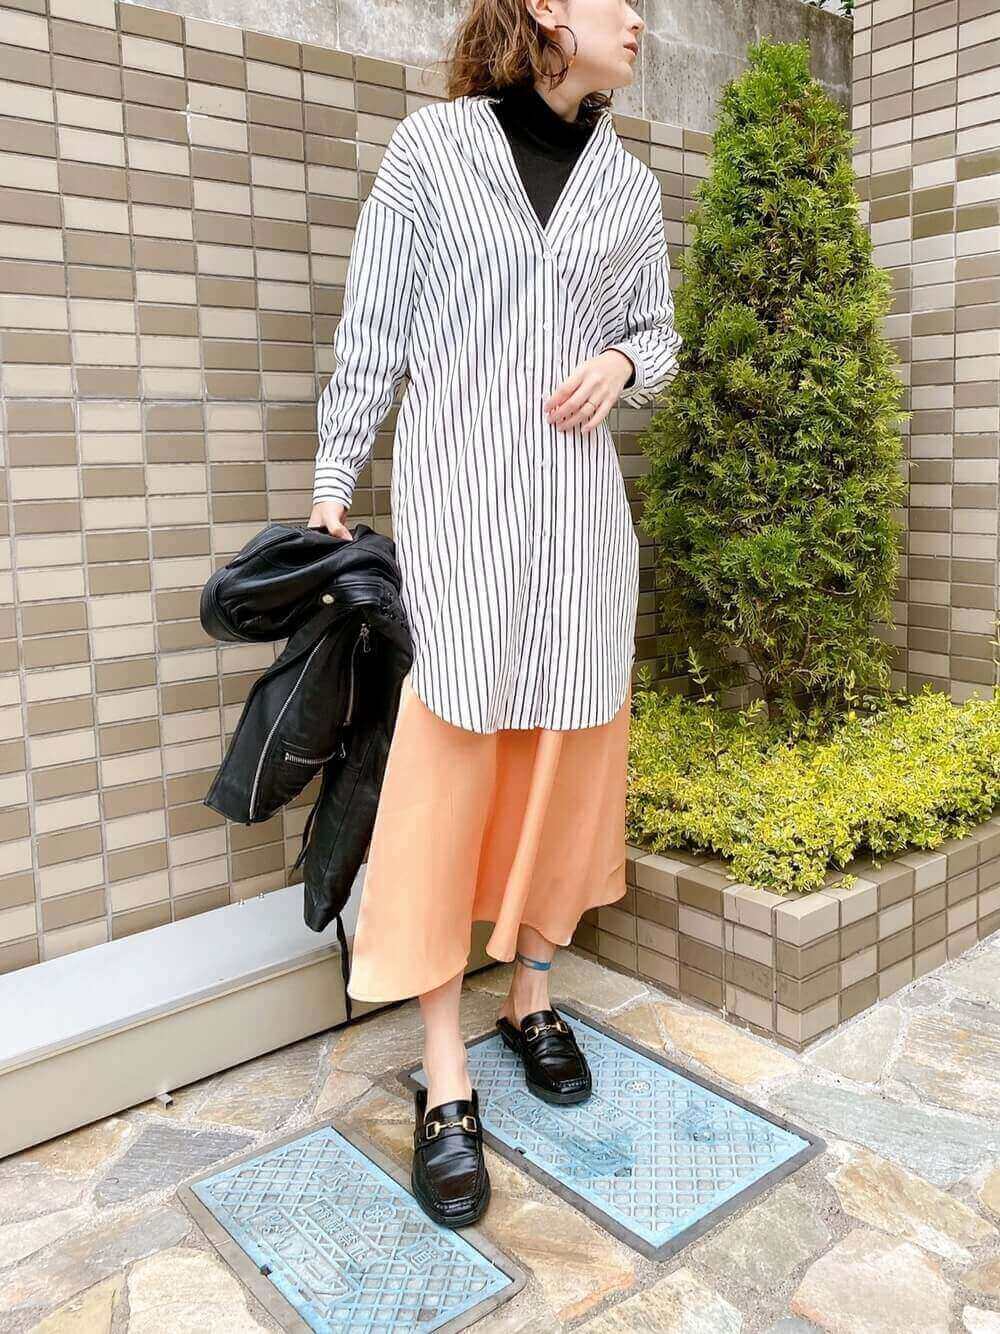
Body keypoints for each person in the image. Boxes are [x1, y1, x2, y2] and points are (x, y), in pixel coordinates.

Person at [309, 0, 681, 1228]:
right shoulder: (433, 151)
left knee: (565, 762)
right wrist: (333, 478)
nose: (640, 19)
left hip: (580, 531)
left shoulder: (627, 187)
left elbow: (658, 332)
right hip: (462, 519)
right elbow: (375, 325)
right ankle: (445, 1066)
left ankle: (528, 990)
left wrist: (624, 364)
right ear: (547, 10)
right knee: (447, 774)